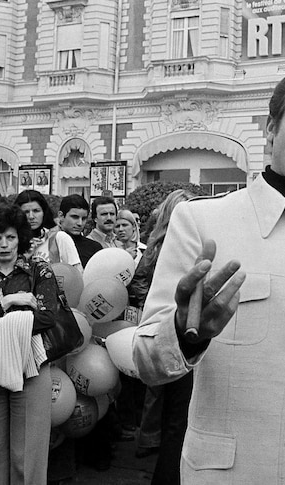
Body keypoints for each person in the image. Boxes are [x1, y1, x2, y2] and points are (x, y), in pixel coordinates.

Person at [106, 65, 285, 484]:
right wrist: (182, 331)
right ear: (271, 129)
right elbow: (146, 362)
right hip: (234, 473)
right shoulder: (202, 222)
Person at [0, 202, 70, 485]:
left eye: (10, 237)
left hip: (32, 369)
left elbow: (45, 317)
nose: (4, 245)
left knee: (28, 455)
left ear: (20, 237)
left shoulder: (38, 272)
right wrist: (7, 302)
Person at [123, 189, 196, 483]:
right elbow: (140, 283)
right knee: (174, 410)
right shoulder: (165, 246)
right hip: (171, 331)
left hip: (177, 332)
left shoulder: (164, 244)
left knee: (168, 406)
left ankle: (152, 445)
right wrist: (162, 306)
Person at [14, 189, 81, 272]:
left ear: (44, 212)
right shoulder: (10, 241)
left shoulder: (58, 238)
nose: (31, 216)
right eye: (26, 212)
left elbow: (77, 273)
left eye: (36, 211)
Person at [56, 194, 103, 268]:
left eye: (84, 218)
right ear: (61, 215)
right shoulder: (49, 242)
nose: (80, 223)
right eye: (75, 217)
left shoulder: (94, 248)